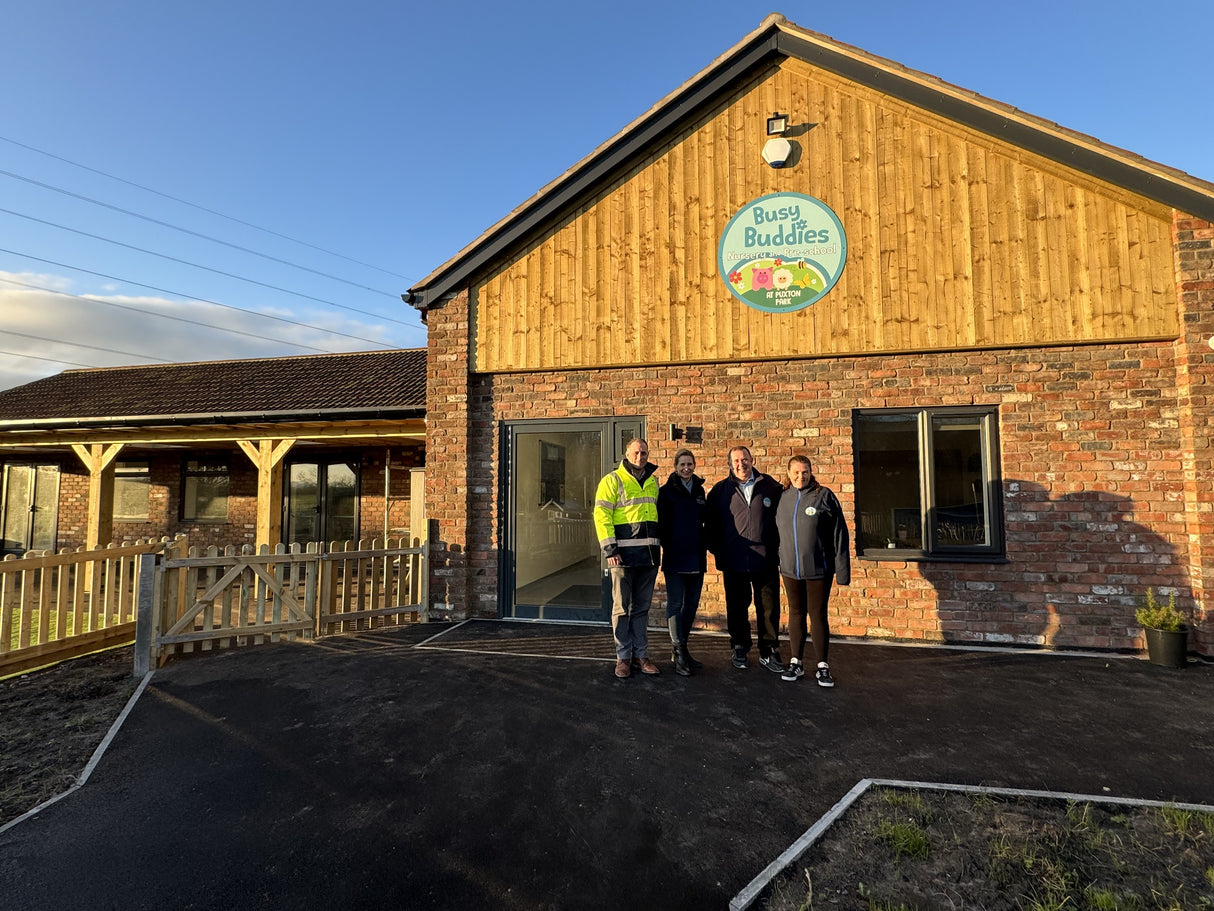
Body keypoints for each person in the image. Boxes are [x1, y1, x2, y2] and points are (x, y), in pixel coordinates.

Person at [705, 445, 784, 673]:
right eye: (737, 461)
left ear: (752, 460)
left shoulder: (771, 487)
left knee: (768, 607)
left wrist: (777, 550)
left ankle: (769, 650)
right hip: (734, 561)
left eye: (745, 459)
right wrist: (719, 551)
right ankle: (739, 646)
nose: (741, 464)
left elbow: (783, 522)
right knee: (737, 607)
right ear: (730, 464)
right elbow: (710, 525)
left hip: (765, 560)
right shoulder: (720, 491)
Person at [775, 454, 851, 687]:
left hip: (818, 570)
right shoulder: (783, 498)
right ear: (789, 474)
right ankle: (796, 662)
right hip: (790, 570)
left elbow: (840, 534)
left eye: (805, 472)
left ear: (811, 472)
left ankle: (822, 666)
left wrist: (842, 571)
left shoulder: (823, 496)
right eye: (796, 472)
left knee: (817, 615)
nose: (801, 476)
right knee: (795, 613)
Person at [593, 437, 662, 678]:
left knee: (641, 609)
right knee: (621, 609)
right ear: (627, 454)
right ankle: (623, 657)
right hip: (622, 557)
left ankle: (641, 656)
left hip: (649, 556)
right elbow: (601, 515)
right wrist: (610, 549)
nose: (640, 457)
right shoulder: (612, 480)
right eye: (636, 453)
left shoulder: (653, 481)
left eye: (644, 453)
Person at [657, 448, 708, 676]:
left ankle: (683, 648)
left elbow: (704, 521)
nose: (686, 468)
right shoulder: (666, 492)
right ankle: (677, 651)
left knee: (692, 604)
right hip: (676, 556)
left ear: (694, 465)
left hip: (696, 556)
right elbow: (661, 525)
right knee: (675, 604)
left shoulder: (699, 490)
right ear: (675, 467)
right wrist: (670, 544)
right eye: (682, 465)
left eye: (689, 464)